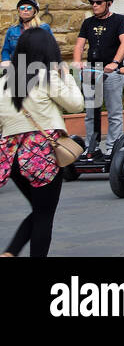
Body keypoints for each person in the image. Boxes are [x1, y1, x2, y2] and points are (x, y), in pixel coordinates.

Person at [0, 28, 83, 258]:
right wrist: (67, 76)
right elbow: (76, 104)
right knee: (45, 215)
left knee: (39, 210)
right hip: (41, 155)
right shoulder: (48, 76)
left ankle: (10, 252)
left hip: (12, 156)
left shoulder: (5, 82)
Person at [72, 0, 124, 148]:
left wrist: (115, 62)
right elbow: (79, 44)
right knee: (91, 113)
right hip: (93, 70)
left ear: (109, 4)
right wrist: (77, 62)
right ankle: (91, 146)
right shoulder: (88, 22)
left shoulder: (119, 20)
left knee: (114, 113)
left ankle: (113, 147)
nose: (94, 5)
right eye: (92, 3)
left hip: (112, 72)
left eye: (98, 3)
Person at [1, 0, 53, 65]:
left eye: (29, 8)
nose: (25, 10)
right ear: (19, 11)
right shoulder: (12, 30)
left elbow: (52, 48)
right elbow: (6, 50)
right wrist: (6, 60)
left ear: (34, 11)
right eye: (22, 8)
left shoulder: (44, 28)